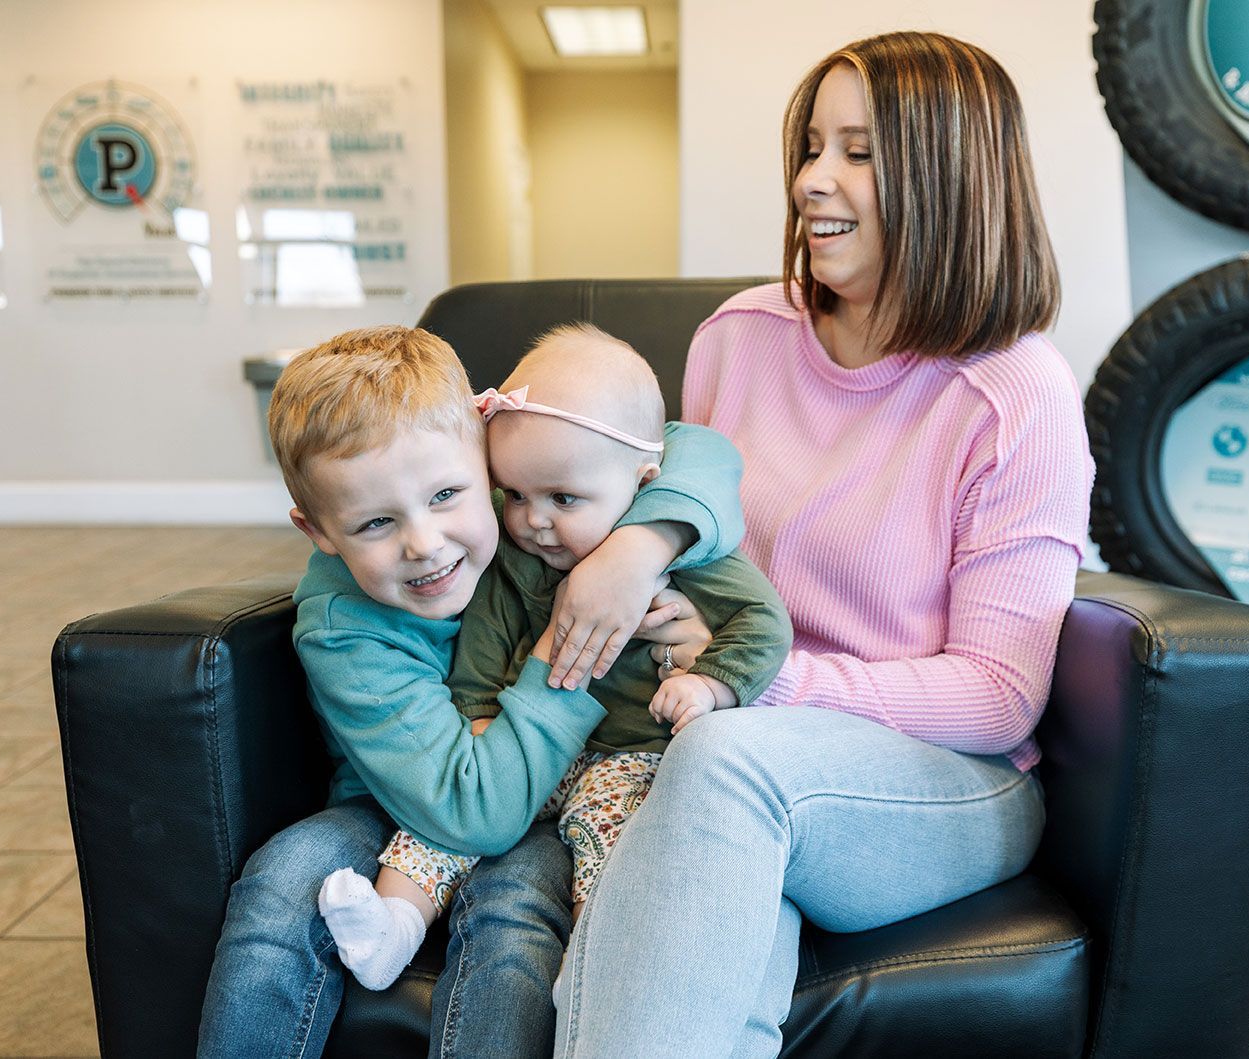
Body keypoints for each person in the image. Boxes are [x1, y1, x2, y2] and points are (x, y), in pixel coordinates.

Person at [431, 30, 1093, 1055]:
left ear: (953, 174)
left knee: (729, 764)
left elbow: (998, 695)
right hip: (719, 744)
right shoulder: (740, 336)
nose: (810, 181)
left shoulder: (1016, 394)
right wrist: (637, 548)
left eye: (859, 152)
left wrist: (754, 679)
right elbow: (688, 480)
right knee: (721, 866)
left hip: (946, 779)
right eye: (812, 145)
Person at [195, 324, 747, 1058]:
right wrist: (568, 637)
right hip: (405, 799)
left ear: (486, 451)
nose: (425, 543)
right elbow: (470, 810)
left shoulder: (524, 495)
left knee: (512, 906)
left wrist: (638, 549)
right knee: (283, 881)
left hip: (575, 786)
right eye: (376, 522)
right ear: (318, 530)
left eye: (448, 494)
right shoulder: (342, 627)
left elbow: (697, 447)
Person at [314, 323, 792, 992]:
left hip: (631, 750)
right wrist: (479, 716)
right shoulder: (516, 559)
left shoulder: (688, 550)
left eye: (562, 499)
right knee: (435, 828)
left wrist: (714, 683)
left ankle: (605, 956)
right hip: (531, 752)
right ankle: (393, 924)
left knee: (611, 835)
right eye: (515, 495)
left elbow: (764, 621)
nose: (533, 521)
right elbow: (484, 645)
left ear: (642, 481)